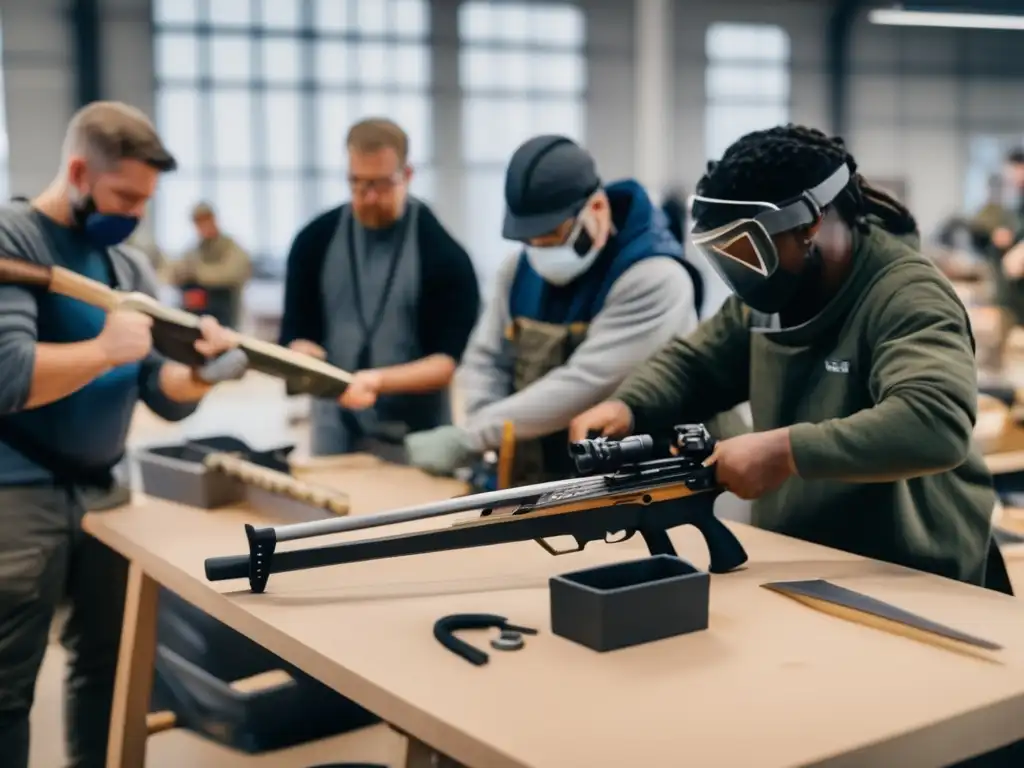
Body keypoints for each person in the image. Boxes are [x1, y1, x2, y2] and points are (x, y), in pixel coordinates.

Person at [570, 124, 1008, 593]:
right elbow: (696, 365)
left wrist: (784, 452)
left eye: (744, 249)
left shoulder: (907, 294)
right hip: (806, 562)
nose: (738, 273)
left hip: (913, 576)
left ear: (810, 223)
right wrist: (629, 405)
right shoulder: (769, 296)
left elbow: (934, 424)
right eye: (721, 253)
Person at [0, 101, 238, 768]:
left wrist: (206, 371)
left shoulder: (126, 267)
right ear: (78, 171)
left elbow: (162, 392)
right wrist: (107, 349)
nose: (134, 212)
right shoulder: (14, 240)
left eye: (146, 200)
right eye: (124, 195)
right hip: (18, 498)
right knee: (6, 689)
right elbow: (9, 376)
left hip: (107, 491)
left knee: (107, 668)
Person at [403, 135, 745, 484]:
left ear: (596, 208)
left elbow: (585, 382)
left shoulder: (655, 278)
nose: (539, 250)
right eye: (529, 240)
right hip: (555, 472)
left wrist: (473, 436)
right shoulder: (518, 270)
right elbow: (486, 358)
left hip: (649, 473)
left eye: (553, 236)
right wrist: (480, 429)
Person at [279, 117, 480, 458]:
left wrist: (376, 381)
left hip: (418, 433)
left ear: (408, 175)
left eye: (381, 184)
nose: (369, 197)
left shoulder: (445, 255)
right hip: (334, 430)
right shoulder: (313, 241)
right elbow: (297, 329)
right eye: (358, 184)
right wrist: (301, 350)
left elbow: (445, 363)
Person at [168, 202, 252, 328]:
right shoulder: (194, 250)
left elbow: (231, 274)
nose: (203, 226)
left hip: (225, 315)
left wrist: (197, 273)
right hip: (196, 318)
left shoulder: (231, 247)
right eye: (198, 222)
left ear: (213, 219)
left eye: (205, 220)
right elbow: (174, 273)